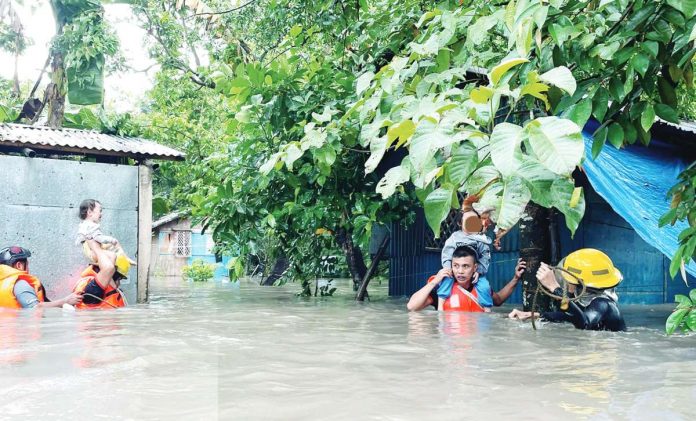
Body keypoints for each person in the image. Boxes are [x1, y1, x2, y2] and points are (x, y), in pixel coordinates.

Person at [508, 248, 626, 332]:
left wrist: (555, 288)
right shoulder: (587, 299)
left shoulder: (603, 303)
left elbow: (584, 323)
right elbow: (570, 316)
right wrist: (534, 315)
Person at [407, 245, 526, 312]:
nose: (460, 271)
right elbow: (411, 307)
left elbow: (498, 300)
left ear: (475, 268)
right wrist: (434, 281)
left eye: (465, 266)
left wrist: (515, 278)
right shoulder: (443, 289)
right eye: (456, 266)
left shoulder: (480, 287)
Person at [439, 196, 495, 311]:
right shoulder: (454, 238)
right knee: (445, 282)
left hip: (474, 271)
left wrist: (479, 270)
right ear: (460, 223)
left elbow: (485, 256)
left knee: (484, 286)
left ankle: (487, 310)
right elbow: (447, 253)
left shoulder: (481, 239)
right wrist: (449, 269)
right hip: (453, 270)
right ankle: (440, 308)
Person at [0, 245, 83, 309]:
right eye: (27, 265)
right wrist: (65, 301)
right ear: (19, 266)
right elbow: (36, 308)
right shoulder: (19, 284)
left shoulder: (3, 284)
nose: (28, 269)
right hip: (22, 330)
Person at [75, 199, 136, 276]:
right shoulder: (92, 226)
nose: (101, 214)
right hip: (94, 253)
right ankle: (110, 273)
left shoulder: (83, 225)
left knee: (112, 250)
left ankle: (115, 264)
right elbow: (98, 238)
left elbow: (79, 240)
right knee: (114, 247)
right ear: (90, 212)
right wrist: (110, 239)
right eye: (100, 211)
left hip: (89, 252)